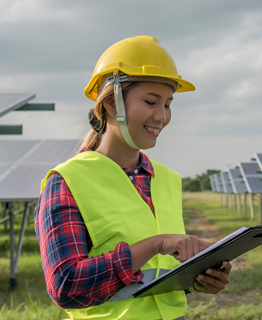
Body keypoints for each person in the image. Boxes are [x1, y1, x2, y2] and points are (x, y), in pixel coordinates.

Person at [35, 35, 231, 320]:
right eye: (151, 102)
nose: (162, 116)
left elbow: (158, 279)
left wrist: (201, 278)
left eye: (167, 104)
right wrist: (156, 244)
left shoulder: (166, 179)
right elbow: (65, 286)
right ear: (112, 104)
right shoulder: (68, 181)